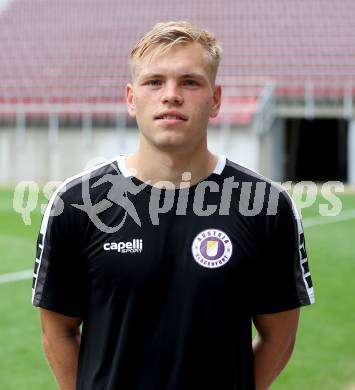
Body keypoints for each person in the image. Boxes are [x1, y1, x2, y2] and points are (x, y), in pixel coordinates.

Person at [32, 20, 314, 390]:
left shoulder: (267, 206)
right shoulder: (76, 204)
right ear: (131, 98)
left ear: (215, 100)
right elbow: (58, 332)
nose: (171, 95)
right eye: (154, 82)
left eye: (190, 82)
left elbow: (279, 337)